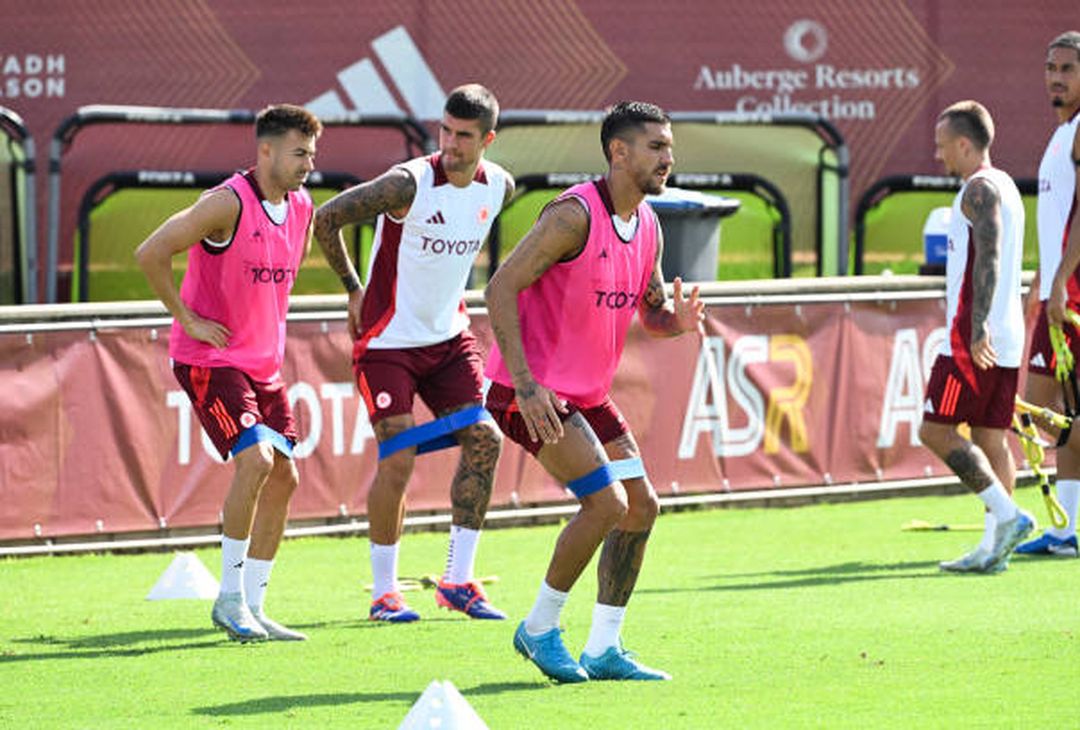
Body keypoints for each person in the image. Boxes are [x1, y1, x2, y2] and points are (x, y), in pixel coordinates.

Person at [484, 101, 704, 683]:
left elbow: (650, 312)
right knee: (606, 504)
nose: (668, 157)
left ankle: (604, 647)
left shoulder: (649, 225)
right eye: (656, 147)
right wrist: (528, 387)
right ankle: (537, 630)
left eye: (670, 146)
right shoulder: (573, 215)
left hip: (584, 395)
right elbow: (500, 287)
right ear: (619, 152)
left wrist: (673, 322)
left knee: (642, 508)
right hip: (526, 390)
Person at [314, 84, 513, 622]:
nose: (450, 143)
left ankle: (458, 581)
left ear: (488, 139)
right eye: (445, 130)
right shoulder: (408, 183)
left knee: (485, 440)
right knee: (398, 457)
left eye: (464, 136)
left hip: (448, 341)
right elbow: (326, 217)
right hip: (387, 343)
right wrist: (353, 288)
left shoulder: (500, 187)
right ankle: (385, 594)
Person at [135, 104, 323, 641]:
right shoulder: (225, 203)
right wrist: (188, 318)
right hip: (210, 360)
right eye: (299, 152)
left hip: (264, 366)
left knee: (286, 475)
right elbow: (151, 252)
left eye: (312, 153)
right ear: (265, 151)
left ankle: (256, 606)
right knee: (256, 460)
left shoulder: (303, 207)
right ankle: (228, 600)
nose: (309, 163)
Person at [918, 101, 1034, 573]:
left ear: (965, 144)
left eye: (943, 146)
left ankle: (1008, 517)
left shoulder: (979, 190)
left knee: (935, 431)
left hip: (973, 339)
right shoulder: (1005, 184)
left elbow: (988, 254)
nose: (938, 155)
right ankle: (993, 549)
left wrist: (978, 323)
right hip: (1005, 337)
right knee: (992, 438)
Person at [1016, 30, 1080, 558]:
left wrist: (1061, 281)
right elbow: (1057, 219)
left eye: (1067, 69)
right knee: (1050, 412)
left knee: (1055, 411)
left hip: (1075, 292)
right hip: (1059, 287)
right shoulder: (1060, 134)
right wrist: (1042, 279)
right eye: (1051, 68)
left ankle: (1067, 529)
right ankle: (1066, 530)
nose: (1056, 78)